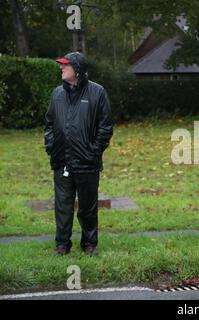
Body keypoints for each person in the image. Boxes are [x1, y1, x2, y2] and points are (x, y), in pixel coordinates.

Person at [44, 51, 113, 256]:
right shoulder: (57, 94)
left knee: (88, 208)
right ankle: (62, 245)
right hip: (61, 161)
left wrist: (93, 151)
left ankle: (89, 244)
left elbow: (105, 126)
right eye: (61, 65)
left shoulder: (97, 92)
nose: (61, 67)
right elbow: (49, 123)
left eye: (65, 65)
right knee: (63, 207)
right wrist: (51, 146)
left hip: (87, 163)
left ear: (78, 70)